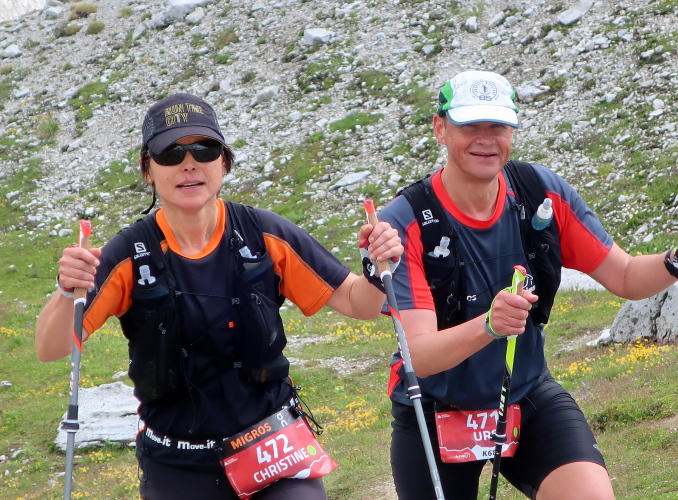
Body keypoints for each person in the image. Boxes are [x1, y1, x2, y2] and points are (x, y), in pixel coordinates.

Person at [35, 92, 403, 500]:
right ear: (148, 170)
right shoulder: (128, 254)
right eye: (171, 153)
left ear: (224, 163)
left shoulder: (263, 233)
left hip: (272, 445)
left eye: (205, 149)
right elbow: (51, 348)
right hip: (178, 462)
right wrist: (66, 290)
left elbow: (357, 303)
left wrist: (377, 265)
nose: (189, 163)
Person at [378, 70, 678, 500]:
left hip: (525, 391)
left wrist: (674, 261)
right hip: (432, 405)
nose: (486, 139)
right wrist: (490, 325)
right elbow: (419, 358)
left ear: (513, 131)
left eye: (498, 126)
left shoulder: (541, 193)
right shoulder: (404, 221)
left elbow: (626, 276)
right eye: (470, 125)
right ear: (440, 128)